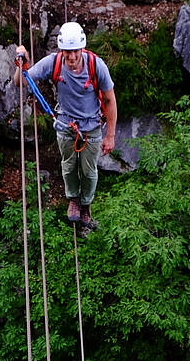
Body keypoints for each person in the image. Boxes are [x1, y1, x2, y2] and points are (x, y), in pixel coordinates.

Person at [13, 21, 118, 230]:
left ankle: (86, 204)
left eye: (75, 51)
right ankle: (73, 199)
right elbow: (21, 81)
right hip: (66, 125)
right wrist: (20, 64)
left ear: (82, 49)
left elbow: (110, 100)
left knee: (89, 171)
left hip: (91, 128)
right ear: (62, 50)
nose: (71, 57)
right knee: (69, 167)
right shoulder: (54, 62)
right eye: (67, 52)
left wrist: (110, 136)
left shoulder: (97, 66)